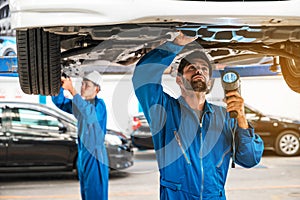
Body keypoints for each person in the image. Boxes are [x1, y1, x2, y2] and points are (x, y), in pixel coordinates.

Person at [132, 32, 264, 200]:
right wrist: (176, 44)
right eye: (191, 68)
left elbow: (250, 159)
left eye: (203, 68)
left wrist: (241, 118)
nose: (198, 71)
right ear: (179, 80)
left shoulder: (224, 116)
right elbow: (143, 77)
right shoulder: (164, 110)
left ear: (209, 81)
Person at [52, 71, 109, 200]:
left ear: (97, 89)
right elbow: (60, 102)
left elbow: (89, 115)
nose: (82, 88)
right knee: (86, 193)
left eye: (87, 85)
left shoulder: (100, 105)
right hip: (83, 154)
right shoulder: (80, 105)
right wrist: (58, 86)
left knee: (96, 194)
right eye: (82, 84)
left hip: (95, 156)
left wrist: (72, 90)